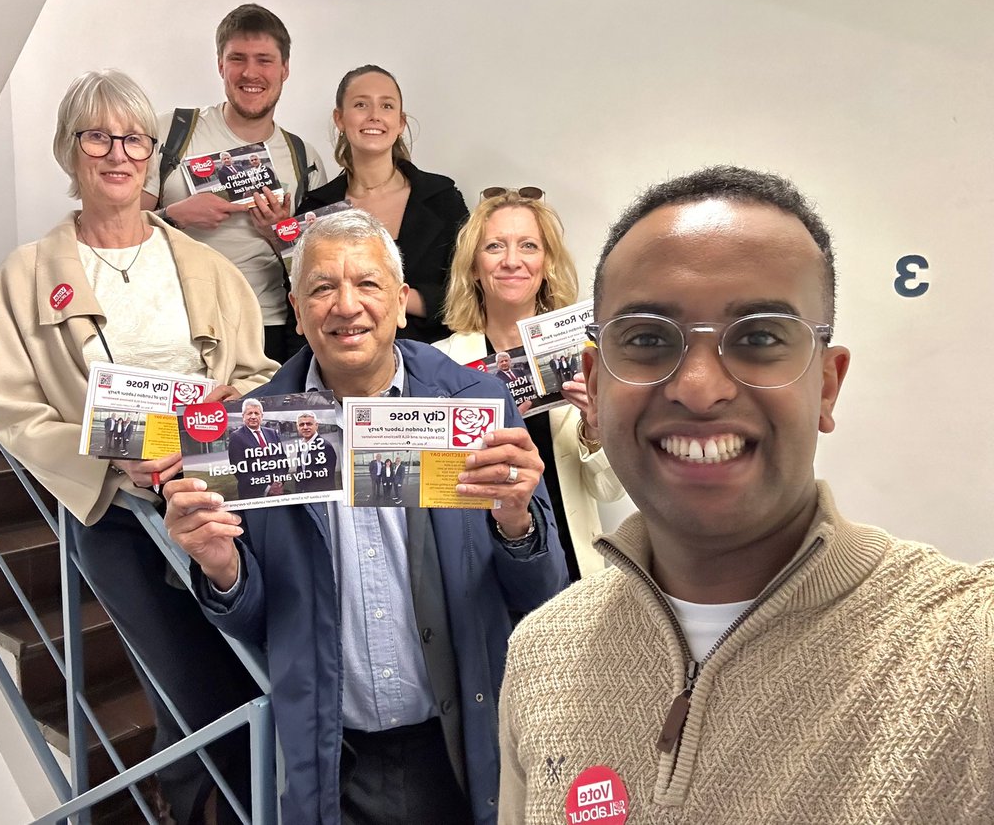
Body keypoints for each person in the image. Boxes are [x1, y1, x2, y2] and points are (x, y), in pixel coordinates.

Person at [498, 166, 994, 824]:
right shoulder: (541, 654)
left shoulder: (969, 651)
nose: (699, 388)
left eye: (760, 338)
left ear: (826, 384)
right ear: (595, 379)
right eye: (647, 339)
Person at [163, 210, 569, 825]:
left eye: (369, 284)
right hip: (333, 755)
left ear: (403, 304)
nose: (346, 305)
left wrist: (517, 522)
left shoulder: (475, 403)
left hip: (461, 747)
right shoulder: (250, 431)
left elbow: (541, 594)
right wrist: (222, 569)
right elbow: (255, 622)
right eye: (323, 287)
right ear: (296, 312)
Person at [0, 69, 277, 825]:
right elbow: (16, 413)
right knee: (183, 679)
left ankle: (214, 803)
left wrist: (223, 415)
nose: (119, 153)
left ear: (152, 153)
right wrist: (105, 459)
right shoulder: (24, 276)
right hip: (116, 509)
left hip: (216, 492)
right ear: (70, 150)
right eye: (98, 136)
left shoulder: (208, 268)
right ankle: (209, 805)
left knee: (251, 663)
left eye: (135, 139)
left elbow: (256, 377)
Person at [436, 191, 624, 579]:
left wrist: (596, 425)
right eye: (494, 246)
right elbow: (434, 493)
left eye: (528, 246)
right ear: (473, 267)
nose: (511, 261)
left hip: (570, 568)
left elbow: (609, 492)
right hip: (479, 569)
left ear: (546, 264)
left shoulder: (586, 353)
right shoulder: (440, 363)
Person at [145, 4, 326, 363]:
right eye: (238, 58)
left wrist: (281, 235)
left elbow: (316, 265)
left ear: (285, 69)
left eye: (264, 60)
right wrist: (175, 215)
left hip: (267, 327)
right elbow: (113, 232)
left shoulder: (304, 158)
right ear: (220, 65)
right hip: (175, 320)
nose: (250, 72)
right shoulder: (170, 132)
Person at [297, 64, 468, 344]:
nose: (374, 116)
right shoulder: (315, 209)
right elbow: (303, 307)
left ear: (400, 123)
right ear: (339, 119)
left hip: (431, 366)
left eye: (386, 106)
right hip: (341, 368)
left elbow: (467, 293)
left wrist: (389, 296)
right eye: (361, 104)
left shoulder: (442, 198)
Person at [226, 397, 286, 499]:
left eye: (256, 413)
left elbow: (282, 460)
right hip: (253, 495)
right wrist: (267, 488)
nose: (253, 416)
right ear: (243, 416)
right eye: (249, 413)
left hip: (278, 491)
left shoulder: (272, 433)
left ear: (261, 416)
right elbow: (239, 470)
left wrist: (279, 482)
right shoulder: (236, 437)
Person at [293, 411, 338, 493]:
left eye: (309, 424)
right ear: (297, 427)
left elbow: (327, 478)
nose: (305, 427)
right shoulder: (301, 446)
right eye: (301, 424)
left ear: (316, 425)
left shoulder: (325, 446)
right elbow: (300, 472)